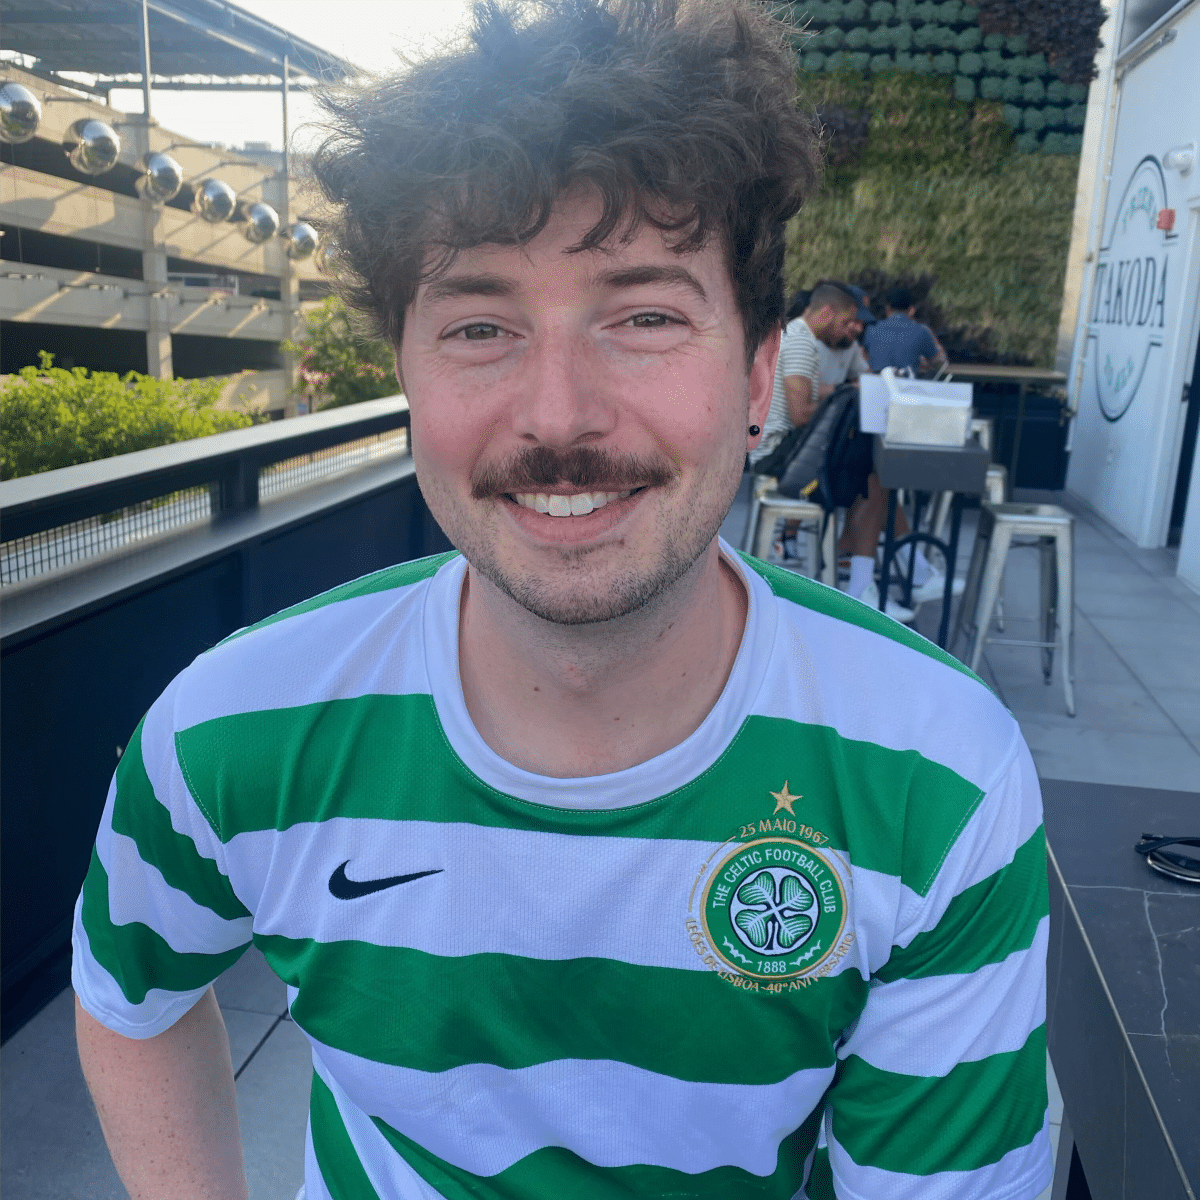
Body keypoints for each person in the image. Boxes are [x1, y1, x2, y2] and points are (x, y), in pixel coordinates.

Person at [72, 4, 1052, 1200]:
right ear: (407, 381)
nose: (556, 414)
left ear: (757, 381)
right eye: (481, 326)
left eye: (643, 315)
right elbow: (129, 1002)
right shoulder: (233, 730)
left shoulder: (936, 773)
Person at [749, 282, 860, 469]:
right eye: (844, 322)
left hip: (770, 447)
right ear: (827, 313)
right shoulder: (801, 342)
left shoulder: (794, 332)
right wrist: (842, 407)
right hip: (774, 452)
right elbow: (800, 415)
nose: (846, 329)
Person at [863, 284, 948, 375]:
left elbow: (866, 360)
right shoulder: (921, 331)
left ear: (887, 308)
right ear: (911, 309)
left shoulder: (871, 330)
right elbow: (940, 363)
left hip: (877, 384)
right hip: (907, 385)